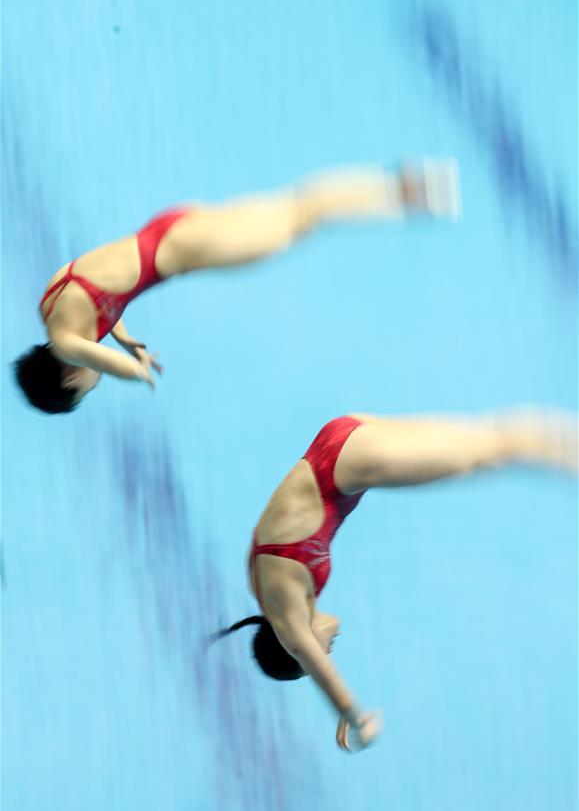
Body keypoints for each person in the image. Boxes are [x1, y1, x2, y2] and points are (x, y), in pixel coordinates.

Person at [215, 409, 577, 752]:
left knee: (488, 453)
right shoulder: (266, 587)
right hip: (339, 443)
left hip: (348, 463)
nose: (326, 651)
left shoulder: (286, 611)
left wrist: (353, 717)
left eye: (320, 654)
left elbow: (310, 659)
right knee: (482, 436)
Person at [13, 160, 461, 413]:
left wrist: (139, 374)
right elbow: (103, 302)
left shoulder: (68, 345)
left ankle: (411, 194)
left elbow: (117, 367)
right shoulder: (51, 305)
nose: (94, 383)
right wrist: (132, 342)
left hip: (187, 251)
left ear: (69, 376)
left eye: (88, 388)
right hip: (170, 227)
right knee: (298, 207)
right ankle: (405, 187)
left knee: (304, 218)